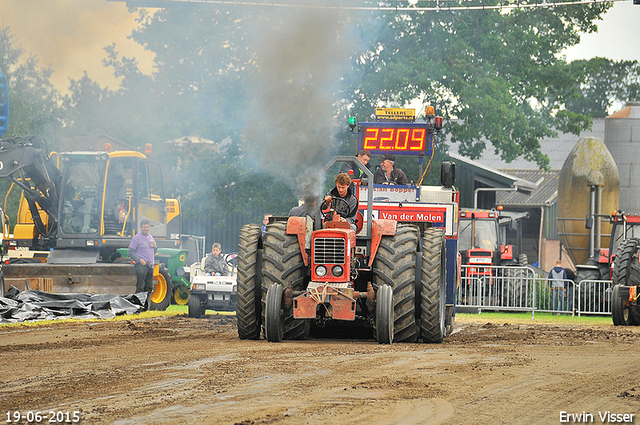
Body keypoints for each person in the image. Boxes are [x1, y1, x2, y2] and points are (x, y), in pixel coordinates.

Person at [128, 219, 157, 303]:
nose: (146, 228)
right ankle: (137, 305)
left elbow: (154, 252)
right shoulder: (136, 238)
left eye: (147, 227)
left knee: (148, 287)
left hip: (150, 265)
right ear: (141, 227)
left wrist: (155, 247)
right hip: (141, 265)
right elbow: (130, 252)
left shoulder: (151, 237)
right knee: (141, 286)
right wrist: (140, 260)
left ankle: (146, 305)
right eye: (144, 227)